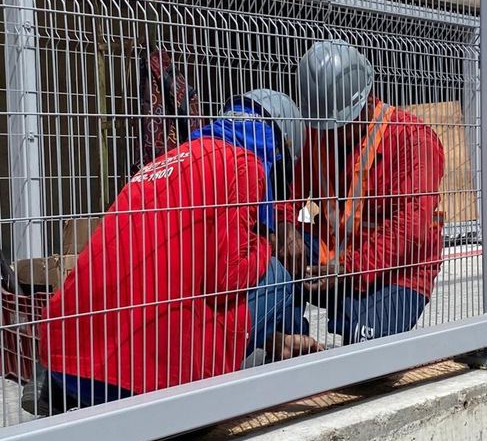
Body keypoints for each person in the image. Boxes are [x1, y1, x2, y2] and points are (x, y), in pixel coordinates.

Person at [26, 90, 320, 415]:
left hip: (68, 359)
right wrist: (266, 244)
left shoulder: (171, 160)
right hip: (136, 382)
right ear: (278, 149)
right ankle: (207, 386)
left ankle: (277, 343)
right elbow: (228, 279)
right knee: (277, 277)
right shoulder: (244, 165)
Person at [281, 40, 445, 345]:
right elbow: (286, 196)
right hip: (332, 260)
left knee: (366, 352)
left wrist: (349, 268)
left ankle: (354, 323)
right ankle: (290, 340)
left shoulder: (412, 140)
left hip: (397, 274)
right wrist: (286, 229)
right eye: (323, 125)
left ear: (367, 101)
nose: (330, 133)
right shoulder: (317, 133)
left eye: (339, 125)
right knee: (272, 264)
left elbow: (411, 228)